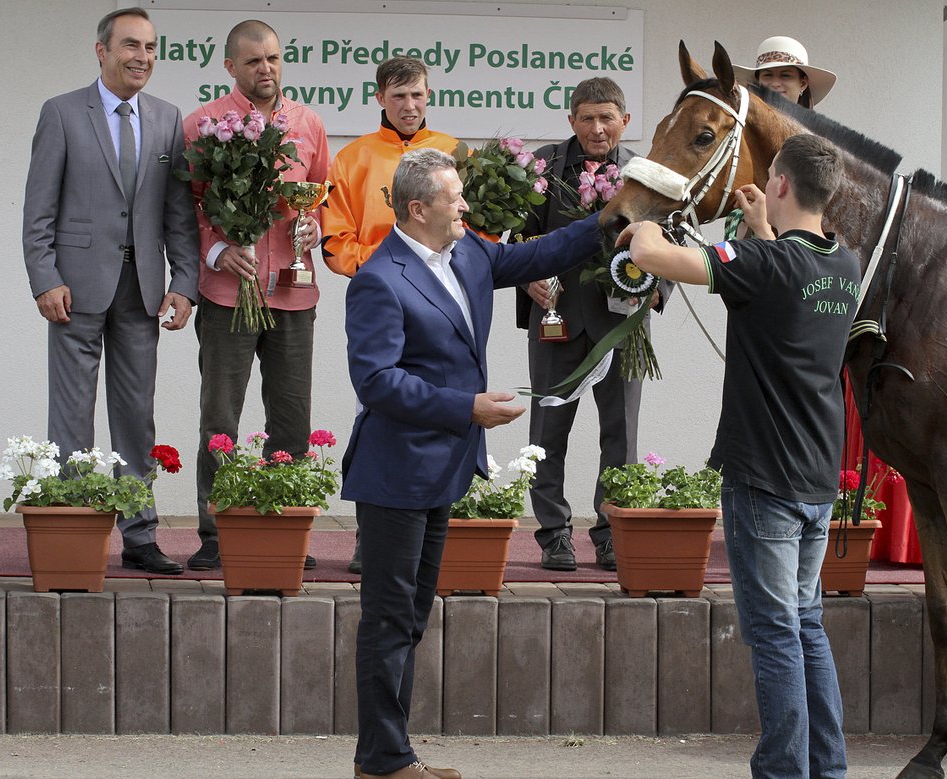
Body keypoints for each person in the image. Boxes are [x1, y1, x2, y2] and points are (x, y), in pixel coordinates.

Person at [343, 148, 603, 779]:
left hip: (441, 468)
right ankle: (383, 759)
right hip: (396, 472)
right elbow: (375, 382)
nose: (465, 205)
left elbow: (538, 256)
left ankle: (388, 755)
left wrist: (608, 222)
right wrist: (467, 408)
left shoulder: (471, 252)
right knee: (390, 616)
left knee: (412, 614)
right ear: (418, 208)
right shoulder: (380, 278)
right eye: (453, 197)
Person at [618, 134, 856, 778]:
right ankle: (826, 770)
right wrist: (758, 232)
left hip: (764, 478)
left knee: (776, 633)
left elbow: (657, 256)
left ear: (779, 184)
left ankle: (783, 771)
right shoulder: (844, 265)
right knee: (806, 626)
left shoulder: (764, 266)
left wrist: (641, 219)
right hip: (815, 477)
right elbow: (784, 277)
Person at [22, 6, 198, 575]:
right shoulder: (62, 113)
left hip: (141, 292)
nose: (142, 57)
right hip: (74, 290)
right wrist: (44, 278)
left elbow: (178, 214)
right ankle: (72, 522)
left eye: (149, 47)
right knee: (71, 414)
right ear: (101, 51)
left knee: (135, 414)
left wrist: (185, 284)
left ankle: (140, 534)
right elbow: (38, 210)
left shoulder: (169, 119)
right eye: (130, 46)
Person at [183, 19, 330, 571]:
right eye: (253, 62)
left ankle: (285, 523)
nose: (265, 70)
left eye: (272, 59)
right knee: (220, 415)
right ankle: (216, 532)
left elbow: (319, 197)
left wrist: (313, 226)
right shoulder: (203, 125)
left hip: (294, 292)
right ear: (230, 68)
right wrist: (217, 250)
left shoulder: (309, 123)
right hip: (227, 292)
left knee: (291, 416)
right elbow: (188, 207)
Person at [517, 77, 667, 572]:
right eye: (586, 118)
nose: (597, 128)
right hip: (556, 319)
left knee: (620, 436)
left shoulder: (648, 174)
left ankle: (609, 532)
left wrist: (650, 289)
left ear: (625, 121)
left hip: (623, 325)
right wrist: (527, 279)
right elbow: (517, 239)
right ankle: (553, 533)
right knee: (546, 434)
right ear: (571, 122)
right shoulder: (543, 166)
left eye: (607, 118)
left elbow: (673, 243)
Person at [320, 55, 458, 574]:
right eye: (398, 96)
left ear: (429, 95)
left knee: (444, 409)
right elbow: (336, 243)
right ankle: (370, 538)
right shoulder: (352, 158)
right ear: (380, 98)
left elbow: (478, 231)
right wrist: (389, 269)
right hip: (383, 305)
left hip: (444, 306)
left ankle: (434, 532)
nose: (409, 105)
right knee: (377, 414)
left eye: (417, 94)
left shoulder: (453, 152)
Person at [731, 35, 837, 108]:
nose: (775, 83)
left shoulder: (816, 136)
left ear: (803, 84)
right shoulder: (740, 134)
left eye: (785, 75)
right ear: (757, 82)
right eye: (768, 75)